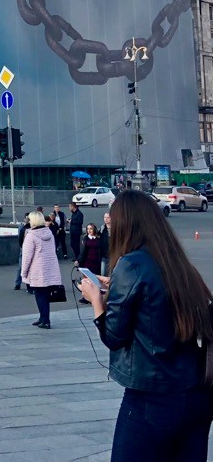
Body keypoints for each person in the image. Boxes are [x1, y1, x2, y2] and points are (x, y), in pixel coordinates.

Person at [79, 190, 213, 461]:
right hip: (196, 393)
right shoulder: (178, 263)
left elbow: (114, 335)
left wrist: (96, 299)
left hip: (153, 395)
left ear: (127, 224)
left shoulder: (130, 264)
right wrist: (115, 289)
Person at [20, 210, 61, 328]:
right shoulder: (48, 232)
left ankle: (45, 320)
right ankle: (43, 317)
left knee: (39, 295)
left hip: (37, 270)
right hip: (50, 268)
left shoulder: (31, 235)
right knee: (45, 295)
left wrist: (24, 272)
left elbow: (27, 256)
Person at [14, 212, 30, 291]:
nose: (27, 220)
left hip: (29, 249)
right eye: (26, 218)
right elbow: (20, 238)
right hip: (23, 249)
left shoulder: (32, 227)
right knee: (21, 267)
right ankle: (17, 284)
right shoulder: (22, 227)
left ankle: (28, 285)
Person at [99, 212, 111, 276]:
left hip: (112, 255)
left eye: (108, 217)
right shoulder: (102, 227)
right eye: (105, 217)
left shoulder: (115, 228)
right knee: (103, 273)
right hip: (103, 255)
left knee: (111, 275)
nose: (106, 219)